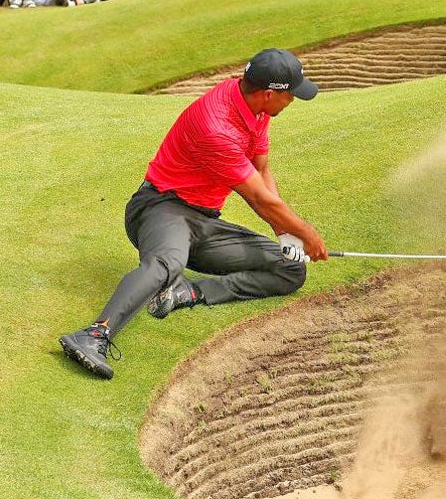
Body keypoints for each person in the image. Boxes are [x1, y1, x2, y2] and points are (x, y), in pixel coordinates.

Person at [60, 49, 328, 382]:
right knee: (167, 263)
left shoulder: (257, 109)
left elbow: (261, 171)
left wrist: (285, 234)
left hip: (203, 222)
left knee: (289, 268)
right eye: (291, 95)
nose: (293, 101)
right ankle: (94, 334)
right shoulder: (217, 128)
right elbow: (258, 198)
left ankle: (186, 293)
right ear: (269, 93)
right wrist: (306, 233)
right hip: (161, 208)